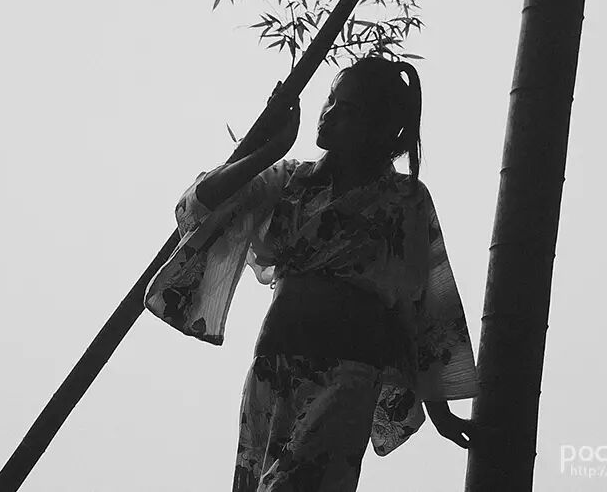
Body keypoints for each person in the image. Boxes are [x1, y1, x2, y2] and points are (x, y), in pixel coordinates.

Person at [144, 56, 479, 491]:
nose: (330, 113)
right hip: (273, 369)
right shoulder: (291, 180)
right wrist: (270, 150)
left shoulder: (404, 200)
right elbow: (200, 204)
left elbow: (423, 308)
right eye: (331, 100)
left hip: (347, 374)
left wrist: (440, 410)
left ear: (377, 129)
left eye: (349, 110)